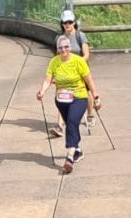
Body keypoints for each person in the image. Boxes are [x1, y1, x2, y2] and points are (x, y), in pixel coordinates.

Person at [37, 35, 100, 173]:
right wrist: (42, 91)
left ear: (70, 48)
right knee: (72, 125)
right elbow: (48, 80)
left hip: (79, 97)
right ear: (57, 49)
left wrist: (95, 96)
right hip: (62, 100)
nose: (64, 50)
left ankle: (70, 157)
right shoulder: (54, 62)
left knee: (71, 122)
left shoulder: (78, 61)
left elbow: (89, 81)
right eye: (61, 48)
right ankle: (77, 150)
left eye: (66, 47)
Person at [49, 10, 94, 137]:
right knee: (62, 94)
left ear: (74, 22)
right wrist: (54, 75)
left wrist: (76, 64)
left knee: (86, 93)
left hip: (80, 69)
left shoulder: (80, 36)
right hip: (64, 72)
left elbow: (86, 55)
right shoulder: (60, 38)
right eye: (65, 22)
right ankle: (59, 125)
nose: (68, 25)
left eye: (70, 22)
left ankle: (90, 115)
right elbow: (57, 57)